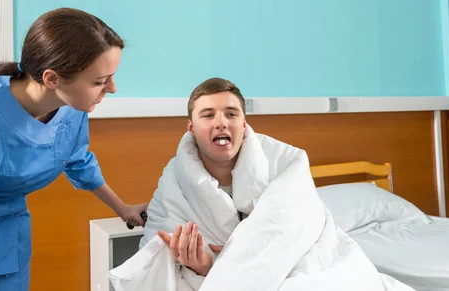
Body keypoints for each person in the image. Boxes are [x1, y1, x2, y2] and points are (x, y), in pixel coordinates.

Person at [107, 77, 406, 291]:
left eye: (231, 114)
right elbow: (153, 259)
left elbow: (298, 226)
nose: (221, 122)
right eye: (208, 115)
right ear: (191, 128)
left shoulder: (286, 162)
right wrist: (201, 264)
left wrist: (232, 260)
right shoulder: (172, 183)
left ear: (244, 125)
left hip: (295, 266)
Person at [0, 7, 148, 291]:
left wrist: (123, 209)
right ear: (52, 79)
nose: (112, 88)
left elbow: (78, 161)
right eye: (99, 81)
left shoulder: (71, 108)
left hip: (6, 240)